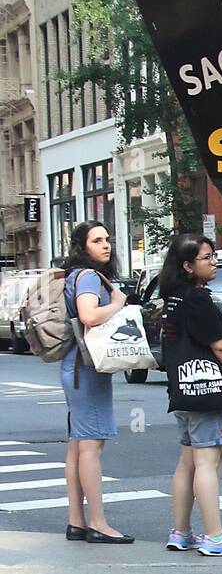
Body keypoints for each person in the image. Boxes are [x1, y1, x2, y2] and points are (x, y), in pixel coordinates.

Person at [159, 234, 222, 557]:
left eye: (214, 255)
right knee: (209, 461)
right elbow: (220, 345)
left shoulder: (172, 296)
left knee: (187, 461)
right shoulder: (196, 298)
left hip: (182, 390)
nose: (214, 261)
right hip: (206, 390)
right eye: (206, 258)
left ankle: (181, 531)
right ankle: (214, 535)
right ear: (188, 265)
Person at [61, 220, 134, 544]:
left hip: (75, 365)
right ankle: (98, 523)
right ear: (82, 246)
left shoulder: (75, 275)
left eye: (107, 239)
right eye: (97, 240)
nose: (106, 245)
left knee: (79, 445)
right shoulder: (89, 276)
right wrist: (118, 303)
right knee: (91, 445)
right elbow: (89, 315)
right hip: (86, 368)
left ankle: (76, 521)